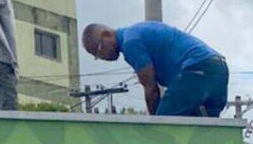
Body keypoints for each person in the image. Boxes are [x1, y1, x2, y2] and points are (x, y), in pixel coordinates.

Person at [82, 21, 228, 117]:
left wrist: (155, 122)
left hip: (196, 69)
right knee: (205, 130)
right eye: (97, 56)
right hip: (218, 69)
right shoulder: (137, 31)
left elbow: (151, 89)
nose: (103, 57)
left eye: (99, 50)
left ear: (106, 35)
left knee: (165, 125)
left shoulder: (130, 43)